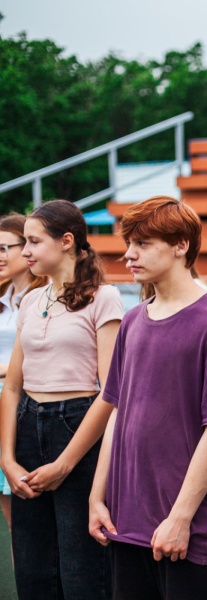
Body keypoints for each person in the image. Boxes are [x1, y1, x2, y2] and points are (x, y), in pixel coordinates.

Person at [87, 196, 207, 599]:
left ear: (181, 245)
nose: (129, 254)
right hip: (126, 523)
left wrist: (180, 518)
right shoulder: (132, 320)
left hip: (185, 531)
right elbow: (118, 412)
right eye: (128, 243)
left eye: (142, 243)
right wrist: (97, 497)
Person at [0, 199, 123, 598]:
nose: (25, 251)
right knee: (33, 571)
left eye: (34, 242)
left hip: (78, 427)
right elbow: (13, 386)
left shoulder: (105, 298)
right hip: (27, 425)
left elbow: (111, 390)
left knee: (81, 571)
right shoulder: (32, 300)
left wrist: (65, 462)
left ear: (67, 241)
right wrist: (7, 460)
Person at [0, 214, 48, 532]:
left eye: (5, 248)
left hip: (27, 409)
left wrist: (5, 370)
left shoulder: (44, 299)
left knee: (29, 522)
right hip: (4, 408)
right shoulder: (3, 300)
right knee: (12, 520)